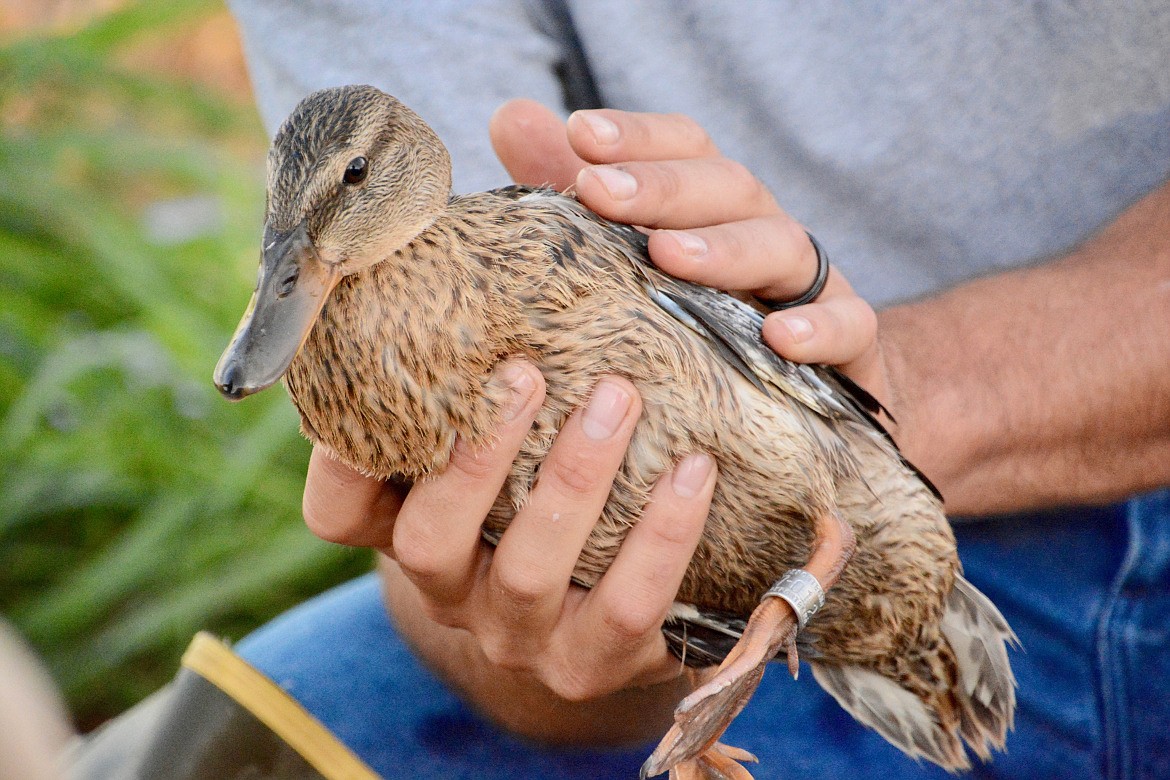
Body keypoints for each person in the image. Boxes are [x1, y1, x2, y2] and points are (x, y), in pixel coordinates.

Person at [225, 2, 1170, 778]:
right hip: (768, 628)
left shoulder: (545, 246)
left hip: (1068, 461)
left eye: (349, 186)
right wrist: (567, 640)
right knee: (236, 747)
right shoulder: (375, 276)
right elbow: (467, 577)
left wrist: (877, 393)